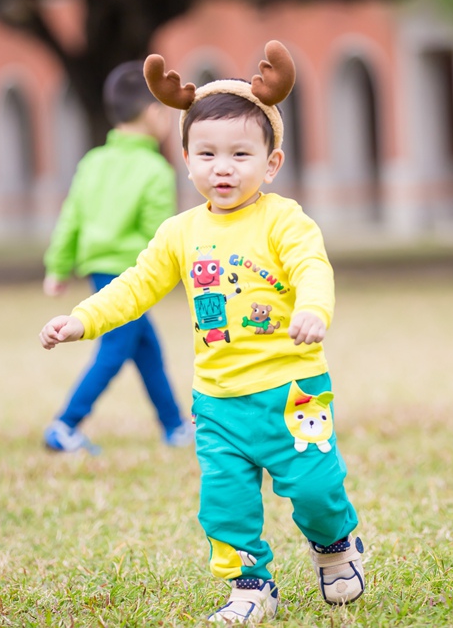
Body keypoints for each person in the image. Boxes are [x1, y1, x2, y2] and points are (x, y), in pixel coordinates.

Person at [39, 41, 364, 623]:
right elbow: (135, 285)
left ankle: (335, 546)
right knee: (225, 505)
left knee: (314, 489)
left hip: (292, 390)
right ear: (185, 159)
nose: (222, 167)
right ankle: (250, 583)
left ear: (271, 163)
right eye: (207, 153)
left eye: (240, 154)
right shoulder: (179, 233)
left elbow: (313, 266)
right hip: (217, 401)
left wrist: (314, 309)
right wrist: (82, 318)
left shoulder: (283, 219)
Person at [41, 60, 195, 453]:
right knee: (114, 350)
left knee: (147, 351)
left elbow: (70, 217)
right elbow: (159, 235)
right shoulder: (156, 170)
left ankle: (175, 425)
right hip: (131, 279)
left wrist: (58, 267)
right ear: (153, 113)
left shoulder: (92, 162)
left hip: (98, 273)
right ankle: (65, 424)